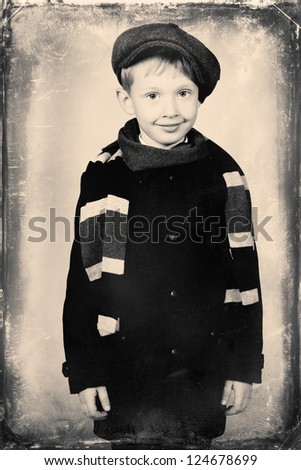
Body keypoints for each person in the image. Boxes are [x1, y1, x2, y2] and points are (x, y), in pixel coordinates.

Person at [62, 23, 264, 449]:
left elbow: (246, 278)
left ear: (199, 96)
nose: (170, 109)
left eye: (184, 93)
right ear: (126, 99)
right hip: (124, 365)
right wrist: (86, 371)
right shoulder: (104, 176)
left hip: (201, 366)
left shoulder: (223, 174)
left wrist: (242, 367)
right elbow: (82, 279)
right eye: (152, 95)